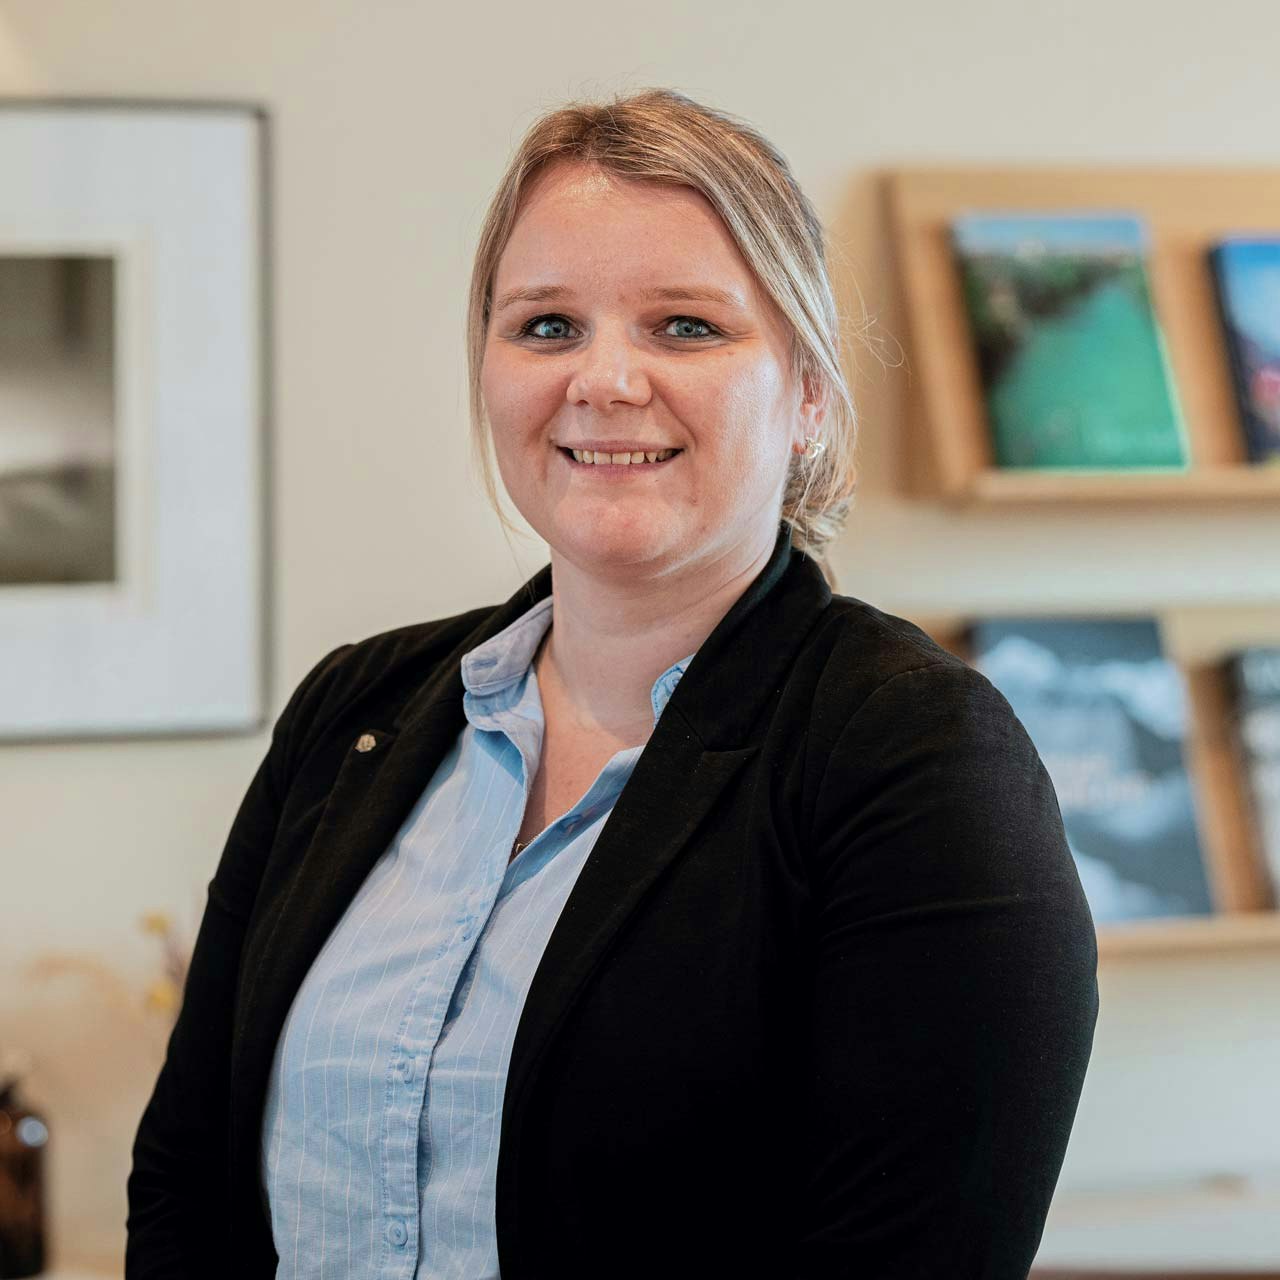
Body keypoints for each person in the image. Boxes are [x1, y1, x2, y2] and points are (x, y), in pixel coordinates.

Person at [126, 87, 1099, 1279]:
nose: (605, 379)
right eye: (546, 326)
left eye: (685, 325)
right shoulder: (354, 710)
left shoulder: (915, 755)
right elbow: (187, 1178)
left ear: (804, 393)